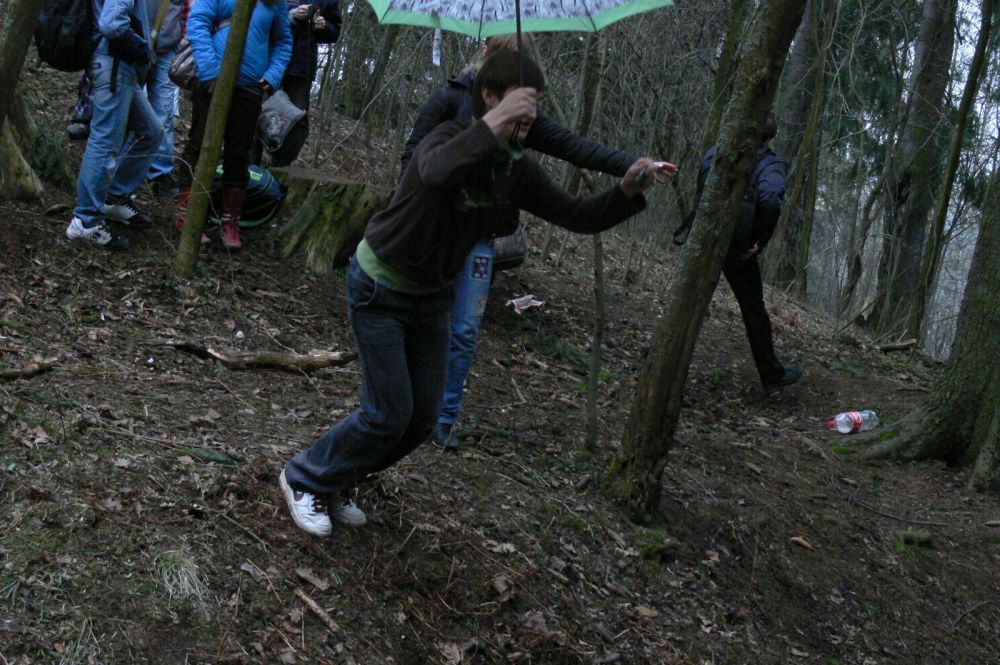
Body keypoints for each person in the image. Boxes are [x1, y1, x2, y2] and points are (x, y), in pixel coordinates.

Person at [279, 50, 661, 537]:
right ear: (489, 96)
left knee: (422, 419)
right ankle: (304, 477)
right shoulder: (448, 136)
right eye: (521, 101)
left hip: (432, 297)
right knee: (387, 414)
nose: (531, 114)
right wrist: (496, 123)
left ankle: (339, 478)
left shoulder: (517, 169)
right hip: (381, 286)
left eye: (536, 104)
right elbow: (435, 172)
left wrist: (626, 191)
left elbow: (576, 215)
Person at [402, 34, 678, 450]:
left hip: (480, 239)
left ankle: (440, 420)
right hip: (432, 235)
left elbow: (576, 148)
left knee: (463, 331)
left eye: (521, 59)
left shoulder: (526, 122)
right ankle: (405, 409)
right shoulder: (449, 99)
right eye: (505, 58)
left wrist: (635, 168)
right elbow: (413, 159)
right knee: (419, 321)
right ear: (487, 58)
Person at [684, 117, 802, 396]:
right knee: (753, 308)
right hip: (738, 247)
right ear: (770, 139)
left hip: (704, 236)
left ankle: (659, 361)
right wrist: (760, 239)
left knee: (688, 298)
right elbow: (771, 199)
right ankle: (771, 376)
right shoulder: (769, 164)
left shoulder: (718, 151)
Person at [175, 0, 292, 250]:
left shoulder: (276, 2)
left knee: (239, 155)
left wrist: (272, 76)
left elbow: (283, 42)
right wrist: (209, 69)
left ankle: (230, 222)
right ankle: (188, 215)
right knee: (199, 145)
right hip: (211, 84)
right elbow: (197, 22)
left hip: (250, 89)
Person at [65, 0, 164, 250]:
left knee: (151, 131)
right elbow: (112, 24)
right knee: (105, 141)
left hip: (121, 67)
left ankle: (113, 198)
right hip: (114, 65)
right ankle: (86, 221)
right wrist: (142, 48)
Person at [266, 0, 341, 166]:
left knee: (296, 121)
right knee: (261, 112)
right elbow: (263, 14)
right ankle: (251, 165)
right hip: (270, 59)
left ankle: (280, 167)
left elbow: (334, 31)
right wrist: (291, 14)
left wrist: (323, 26)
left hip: (302, 65)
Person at [144, 0, 186, 197]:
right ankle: (122, 167)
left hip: (168, 47)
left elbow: (188, 8)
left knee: (164, 112)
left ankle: (160, 173)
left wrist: (183, 38)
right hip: (133, 43)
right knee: (127, 108)